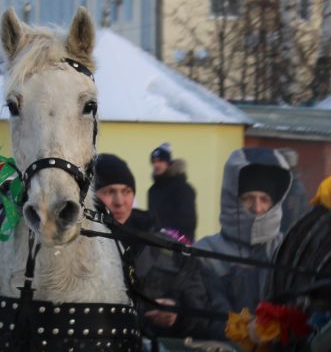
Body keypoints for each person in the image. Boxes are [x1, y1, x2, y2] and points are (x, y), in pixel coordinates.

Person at [90, 152, 210, 336]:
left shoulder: (167, 249)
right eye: (109, 192)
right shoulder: (74, 249)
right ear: (90, 197)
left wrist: (177, 312)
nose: (120, 202)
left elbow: (201, 310)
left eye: (126, 191)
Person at [192, 147, 294, 323]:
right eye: (248, 198)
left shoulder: (288, 249)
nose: (257, 208)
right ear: (232, 199)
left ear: (276, 203)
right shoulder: (205, 252)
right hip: (224, 347)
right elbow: (210, 312)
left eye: (264, 199)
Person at [147, 142, 198, 238]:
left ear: (169, 163)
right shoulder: (153, 191)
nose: (156, 164)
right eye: (154, 161)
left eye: (160, 161)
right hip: (156, 244)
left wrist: (170, 236)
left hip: (179, 245)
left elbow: (188, 223)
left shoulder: (183, 189)